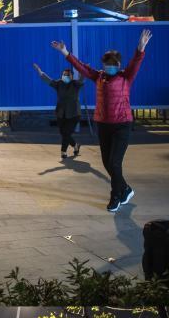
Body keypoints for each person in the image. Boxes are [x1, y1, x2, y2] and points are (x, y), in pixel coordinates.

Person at [50, 30, 152, 213]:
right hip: (103, 124)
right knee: (106, 162)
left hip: (122, 125)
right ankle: (125, 189)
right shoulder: (98, 77)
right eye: (107, 64)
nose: (109, 67)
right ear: (103, 65)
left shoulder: (126, 77)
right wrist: (65, 52)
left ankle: (116, 195)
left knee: (114, 163)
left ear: (118, 65)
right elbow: (81, 67)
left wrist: (140, 47)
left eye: (113, 64)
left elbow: (136, 62)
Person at [32, 62, 85, 159]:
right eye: (64, 74)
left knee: (67, 133)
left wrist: (83, 70)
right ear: (62, 76)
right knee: (63, 133)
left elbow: (82, 79)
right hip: (61, 113)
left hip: (74, 113)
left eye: (68, 75)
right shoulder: (59, 83)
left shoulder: (75, 84)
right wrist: (39, 71)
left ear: (72, 77)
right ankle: (76, 145)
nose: (66, 76)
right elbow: (48, 80)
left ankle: (63, 151)